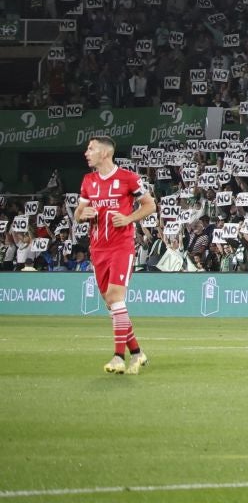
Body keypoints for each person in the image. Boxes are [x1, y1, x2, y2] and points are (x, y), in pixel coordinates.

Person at [74, 134, 155, 375]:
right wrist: (83, 214)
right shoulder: (88, 181)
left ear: (105, 153)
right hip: (97, 248)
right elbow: (78, 213)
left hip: (121, 246)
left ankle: (119, 357)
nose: (86, 153)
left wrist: (129, 218)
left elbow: (150, 205)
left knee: (116, 297)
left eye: (91, 149)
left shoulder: (128, 178)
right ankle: (137, 353)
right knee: (112, 304)